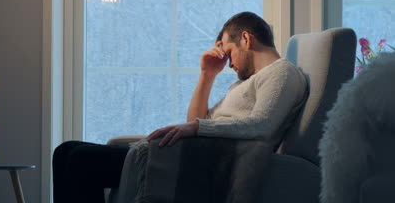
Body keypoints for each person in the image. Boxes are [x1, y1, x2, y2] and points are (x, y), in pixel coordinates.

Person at [52, 12, 308, 203]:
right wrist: (206, 75)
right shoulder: (243, 84)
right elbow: (198, 119)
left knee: (80, 159)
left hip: (210, 161)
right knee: (65, 151)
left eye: (229, 52)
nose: (228, 63)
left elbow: (263, 125)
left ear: (246, 39)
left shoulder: (282, 73)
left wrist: (196, 128)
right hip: (193, 152)